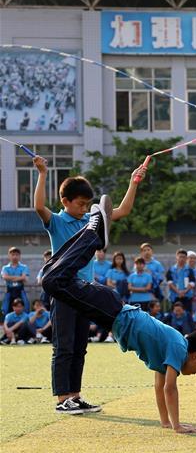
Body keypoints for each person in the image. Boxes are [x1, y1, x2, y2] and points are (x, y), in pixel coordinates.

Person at [38, 199, 196, 430]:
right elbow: (170, 389)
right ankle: (93, 231)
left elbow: (159, 386)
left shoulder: (169, 352)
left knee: (56, 279)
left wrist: (165, 423)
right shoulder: (178, 348)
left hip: (112, 313)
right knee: (53, 281)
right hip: (113, 311)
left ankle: (88, 233)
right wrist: (178, 426)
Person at [33, 154, 145, 415]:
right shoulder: (58, 222)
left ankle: (75, 395)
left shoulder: (89, 222)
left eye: (87, 205)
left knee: (81, 346)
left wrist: (134, 182)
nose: (85, 209)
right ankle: (62, 399)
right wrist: (41, 174)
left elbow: (123, 210)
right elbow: (39, 207)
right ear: (65, 202)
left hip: (85, 292)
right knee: (64, 345)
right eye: (80, 204)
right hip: (63, 290)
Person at [2, 247, 30, 315]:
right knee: (5, 308)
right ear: (9, 256)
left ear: (19, 256)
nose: (15, 256)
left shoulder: (24, 267)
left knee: (26, 305)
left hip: (20, 289)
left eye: (17, 255)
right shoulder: (5, 267)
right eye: (13, 254)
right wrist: (20, 277)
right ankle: (6, 321)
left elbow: (25, 278)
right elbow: (5, 277)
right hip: (9, 289)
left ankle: (25, 321)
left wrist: (10, 277)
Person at [166, 249, 194, 315]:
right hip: (175, 297)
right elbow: (170, 283)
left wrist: (184, 291)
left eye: (184, 257)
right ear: (176, 257)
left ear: (186, 258)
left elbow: (192, 283)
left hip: (187, 297)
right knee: (174, 314)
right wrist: (178, 292)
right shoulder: (171, 270)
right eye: (180, 257)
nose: (182, 259)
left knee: (187, 314)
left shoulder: (190, 270)